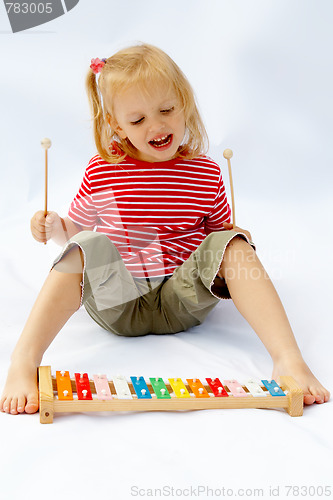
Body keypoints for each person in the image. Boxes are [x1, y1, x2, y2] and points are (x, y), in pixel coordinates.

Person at [0, 43, 329, 415]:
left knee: (234, 244)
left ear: (184, 104)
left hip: (182, 301)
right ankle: (24, 362)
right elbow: (75, 236)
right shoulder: (103, 171)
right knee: (84, 245)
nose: (156, 126)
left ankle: (288, 358)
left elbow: (218, 240)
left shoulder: (205, 173)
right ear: (115, 125)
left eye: (167, 110)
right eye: (138, 120)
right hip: (120, 302)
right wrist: (52, 227)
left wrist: (239, 242)